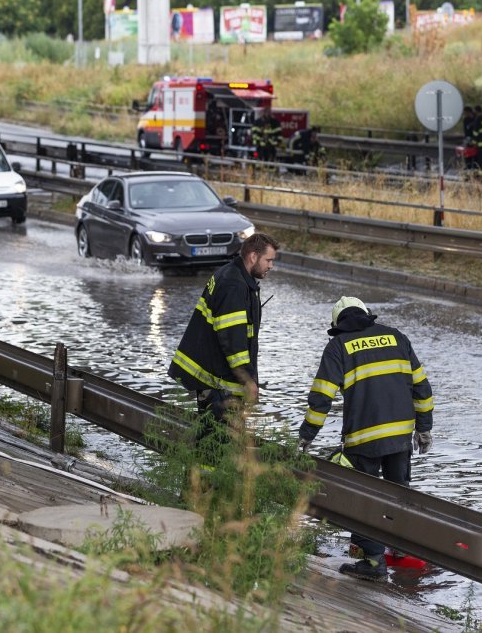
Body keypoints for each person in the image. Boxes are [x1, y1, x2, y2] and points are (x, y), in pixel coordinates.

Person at [298, 296, 434, 581]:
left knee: (358, 501)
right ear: (366, 314)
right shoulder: (396, 337)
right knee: (399, 494)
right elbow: (421, 386)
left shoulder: (338, 346)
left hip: (364, 439)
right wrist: (424, 428)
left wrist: (307, 436)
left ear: (338, 325)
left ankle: (373, 562)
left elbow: (322, 395)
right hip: (400, 437)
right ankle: (399, 548)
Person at [169, 233, 280, 442]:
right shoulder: (234, 286)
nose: (271, 266)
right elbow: (233, 341)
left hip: (214, 378)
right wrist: (248, 381)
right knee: (218, 443)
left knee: (213, 439)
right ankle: (206, 475)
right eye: (269, 260)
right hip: (218, 384)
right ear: (253, 257)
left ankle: (201, 474)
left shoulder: (235, 277)